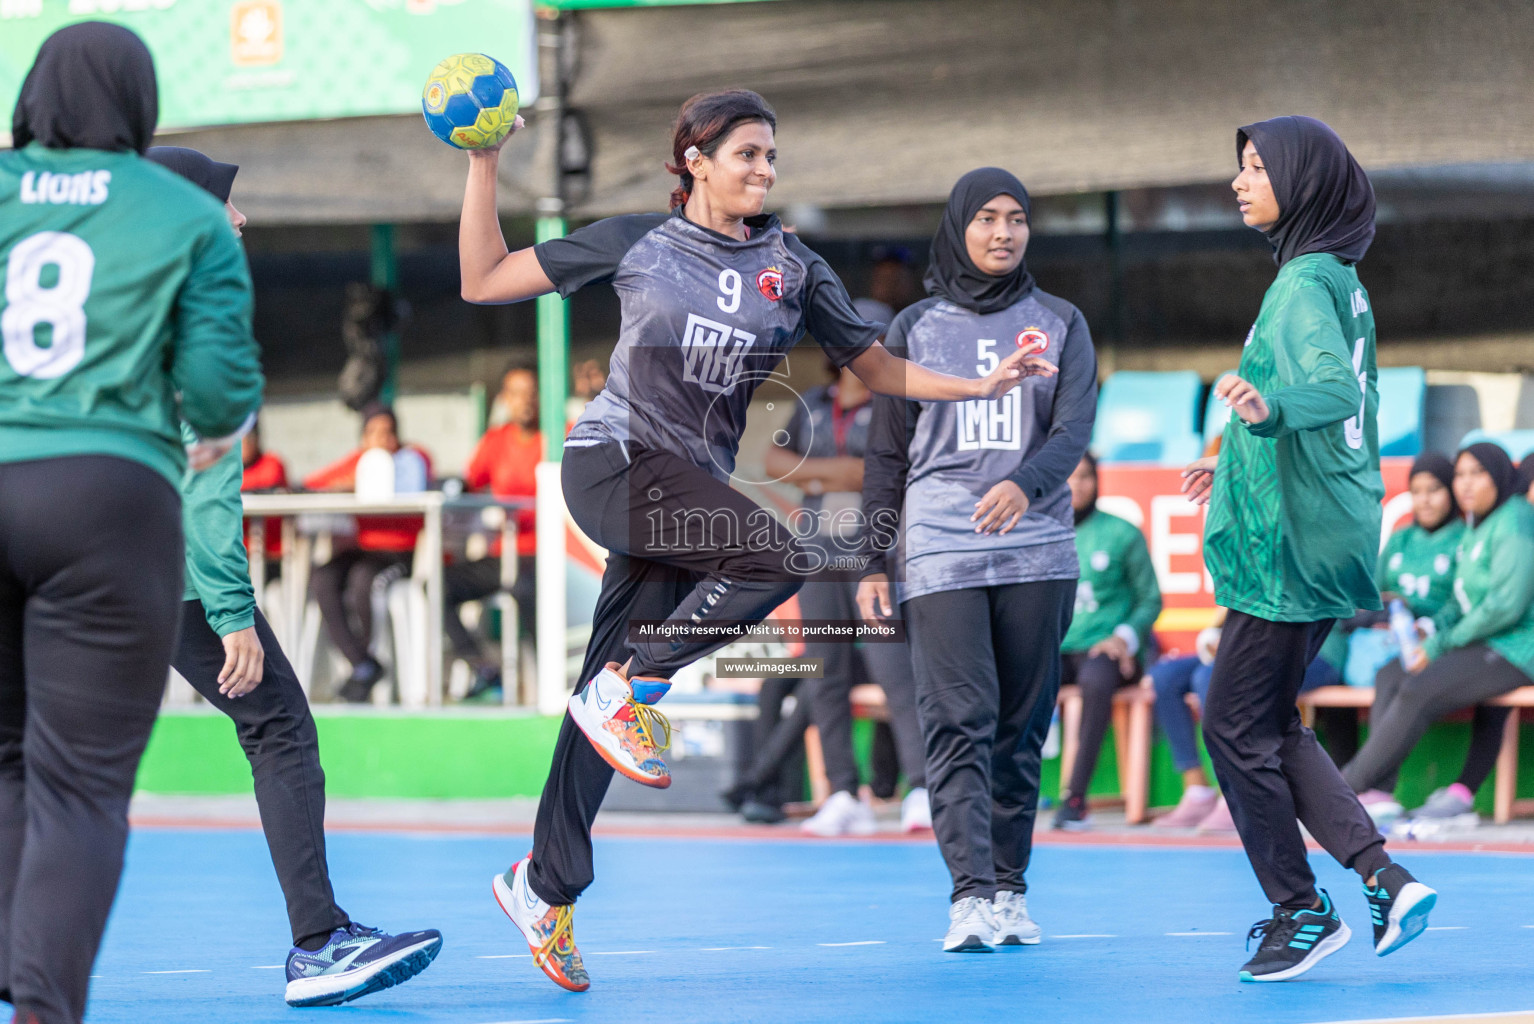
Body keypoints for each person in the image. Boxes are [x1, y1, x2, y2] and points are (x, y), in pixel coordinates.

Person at [458, 92, 1053, 991]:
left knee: (597, 701)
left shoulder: (794, 267)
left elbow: (877, 367)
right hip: (615, 461)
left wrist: (981, 385)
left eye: (772, 156)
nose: (765, 170)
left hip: (685, 493)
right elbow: (483, 279)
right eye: (747, 154)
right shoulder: (637, 242)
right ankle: (636, 682)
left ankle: (544, 886)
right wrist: (483, 163)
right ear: (696, 160)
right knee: (777, 558)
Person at [0, 24, 263, 1024]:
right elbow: (217, 387)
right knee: (79, 788)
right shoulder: (183, 210)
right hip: (108, 499)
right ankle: (44, 1007)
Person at [144, 144, 443, 1008]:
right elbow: (204, 486)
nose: (240, 218)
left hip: (67, 555)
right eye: (225, 204)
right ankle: (318, 944)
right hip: (160, 568)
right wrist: (232, 609)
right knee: (278, 725)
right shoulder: (204, 323)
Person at [1182, 115, 1434, 982]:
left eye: (1257, 167)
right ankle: (1382, 878)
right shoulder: (1337, 278)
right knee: (1263, 722)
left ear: (1306, 181)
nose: (1239, 181)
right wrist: (1238, 463)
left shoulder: (1301, 282)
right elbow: (1337, 400)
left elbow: (1322, 391)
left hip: (1296, 543)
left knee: (1230, 724)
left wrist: (1266, 414)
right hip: (1319, 525)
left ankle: (1301, 907)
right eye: (1239, 166)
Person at [860, 167, 1098, 953]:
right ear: (958, 226)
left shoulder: (1062, 322)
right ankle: (968, 894)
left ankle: (1010, 888)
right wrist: (871, 561)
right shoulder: (913, 329)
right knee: (958, 723)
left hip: (1037, 552)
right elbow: (885, 457)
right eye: (988, 218)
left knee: (1021, 730)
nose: (1004, 232)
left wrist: (1026, 486)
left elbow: (1071, 433)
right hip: (941, 552)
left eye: (1017, 218)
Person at [764, 342, 931, 837]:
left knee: (893, 669)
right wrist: (837, 473)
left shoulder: (891, 403)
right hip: (816, 554)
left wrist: (812, 474)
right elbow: (773, 460)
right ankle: (841, 793)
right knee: (825, 673)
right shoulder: (812, 401)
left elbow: (880, 474)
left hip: (873, 554)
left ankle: (921, 788)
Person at [1341, 444, 1534, 818]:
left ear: (1497, 475)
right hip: (1482, 641)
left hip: (1515, 648)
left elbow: (1504, 606)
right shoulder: (1480, 525)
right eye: (1460, 474)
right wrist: (1431, 630)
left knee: (1419, 688)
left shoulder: (1515, 519)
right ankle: (1380, 795)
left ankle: (1345, 790)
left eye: (1477, 473)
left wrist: (1442, 642)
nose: (1465, 484)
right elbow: (1461, 603)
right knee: (1393, 673)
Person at [1316, 452, 1478, 823]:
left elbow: (1462, 600)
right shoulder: (1401, 540)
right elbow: (1368, 594)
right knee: (1342, 684)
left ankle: (1376, 788)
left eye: (1434, 489)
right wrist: (1385, 612)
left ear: (1450, 492)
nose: (1425, 499)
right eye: (1416, 490)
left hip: (1440, 644)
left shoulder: (1464, 539)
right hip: (1388, 642)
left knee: (1394, 676)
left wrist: (1425, 625)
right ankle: (1352, 781)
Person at [1052, 452, 1161, 830]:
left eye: (1085, 477)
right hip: (1056, 650)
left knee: (1097, 678)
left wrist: (1125, 637)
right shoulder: (1036, 533)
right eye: (1067, 476)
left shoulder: (1121, 532)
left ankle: (1076, 799)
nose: (1076, 485)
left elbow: (1150, 599)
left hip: (1104, 650)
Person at [304, 405, 434, 702]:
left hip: (399, 551)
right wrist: (348, 483)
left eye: (388, 432)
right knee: (323, 578)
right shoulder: (360, 461)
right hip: (363, 548)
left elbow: (420, 481)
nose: (382, 439)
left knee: (364, 581)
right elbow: (315, 482)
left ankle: (367, 665)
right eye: (373, 433)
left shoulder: (413, 459)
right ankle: (362, 662)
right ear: (363, 439)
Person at [445, 362, 542, 699]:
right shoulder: (496, 440)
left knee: (528, 591)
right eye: (517, 394)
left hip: (546, 556)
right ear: (504, 399)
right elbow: (468, 484)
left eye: (532, 392)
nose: (525, 401)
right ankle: (484, 668)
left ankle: (548, 685)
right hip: (505, 555)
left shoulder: (561, 432)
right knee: (437, 587)